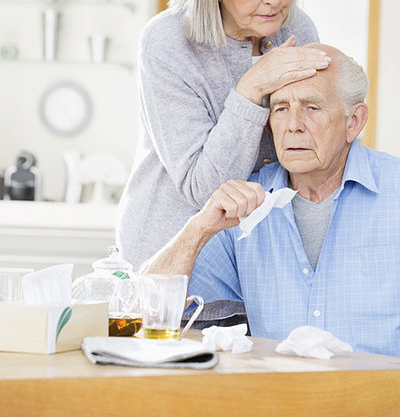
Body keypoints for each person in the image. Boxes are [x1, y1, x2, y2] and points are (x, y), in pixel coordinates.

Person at [117, 0, 329, 325]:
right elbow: (201, 187)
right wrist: (252, 88)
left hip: (258, 257)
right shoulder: (167, 42)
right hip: (177, 255)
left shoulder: (295, 29)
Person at [143, 44, 400, 357]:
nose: (293, 124)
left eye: (312, 107)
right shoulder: (246, 204)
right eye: (280, 108)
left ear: (354, 121)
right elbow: (144, 312)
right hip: (279, 400)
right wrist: (197, 231)